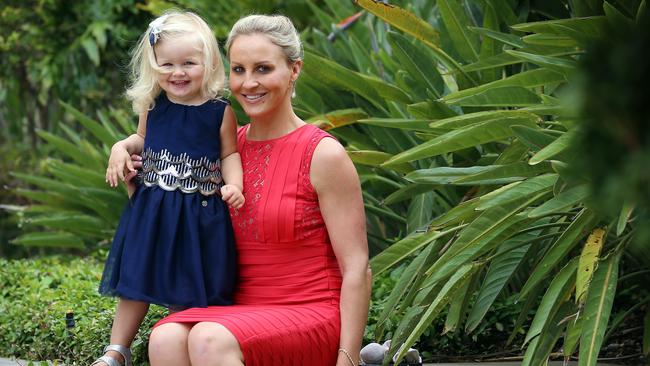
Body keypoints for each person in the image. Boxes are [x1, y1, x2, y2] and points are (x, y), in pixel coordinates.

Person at [147, 14, 371, 366]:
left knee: (208, 337)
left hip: (310, 313)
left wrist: (349, 357)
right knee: (165, 337)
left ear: (294, 69)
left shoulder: (323, 154)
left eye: (263, 69)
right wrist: (130, 167)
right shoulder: (222, 150)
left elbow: (357, 267)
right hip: (236, 311)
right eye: (238, 70)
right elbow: (171, 219)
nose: (248, 83)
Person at [95, 10, 244, 366]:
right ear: (154, 65)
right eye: (167, 65)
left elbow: (230, 154)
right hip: (153, 211)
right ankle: (117, 350)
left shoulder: (219, 112)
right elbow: (140, 140)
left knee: (188, 280)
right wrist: (121, 148)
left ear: (207, 64)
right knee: (135, 279)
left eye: (188, 63)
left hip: (198, 213)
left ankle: (177, 337)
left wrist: (235, 184)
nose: (177, 73)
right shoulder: (154, 106)